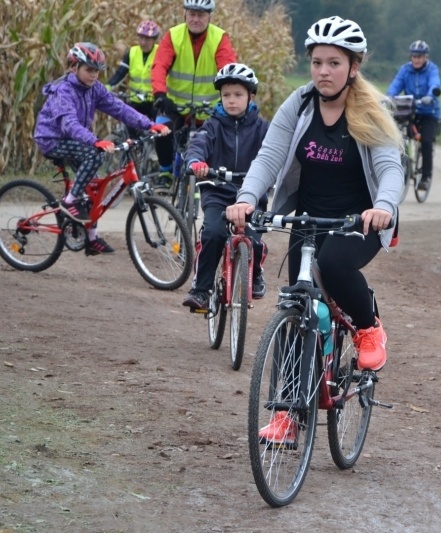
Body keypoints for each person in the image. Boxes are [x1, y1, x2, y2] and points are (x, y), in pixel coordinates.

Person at [226, 16, 403, 376]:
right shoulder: (301, 103)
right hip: (307, 218)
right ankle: (286, 414)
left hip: (358, 220)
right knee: (298, 305)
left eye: (334, 63)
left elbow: (389, 168)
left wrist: (383, 207)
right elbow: (270, 155)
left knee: (334, 264)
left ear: (353, 67)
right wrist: (247, 198)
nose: (323, 71)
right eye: (317, 62)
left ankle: (369, 329)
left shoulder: (370, 109)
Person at [34, 42, 170, 254]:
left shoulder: (94, 89)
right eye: (89, 70)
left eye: (97, 71)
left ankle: (91, 238)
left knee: (94, 187)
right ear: (73, 67)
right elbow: (68, 124)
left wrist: (150, 124)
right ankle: (69, 202)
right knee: (94, 156)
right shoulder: (64, 90)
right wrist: (94, 141)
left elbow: (120, 109)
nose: (94, 75)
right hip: (52, 139)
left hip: (76, 140)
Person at [181, 63, 270, 311]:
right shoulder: (212, 126)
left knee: (255, 239)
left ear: (251, 96)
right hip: (218, 193)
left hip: (252, 195)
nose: (232, 100)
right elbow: (197, 146)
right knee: (212, 234)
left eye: (238, 95)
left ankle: (256, 273)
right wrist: (196, 162)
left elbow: (277, 153)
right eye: (226, 95)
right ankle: (201, 290)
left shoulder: (263, 129)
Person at [151, 0, 238, 192]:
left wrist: (230, 99)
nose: (195, 19)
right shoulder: (173, 36)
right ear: (185, 14)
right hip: (176, 106)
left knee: (221, 141)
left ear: (209, 16)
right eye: (192, 14)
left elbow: (228, 71)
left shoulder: (219, 38)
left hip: (209, 109)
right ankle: (165, 173)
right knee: (161, 130)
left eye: (201, 15)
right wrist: (160, 93)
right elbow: (160, 66)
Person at [387, 40, 441, 191]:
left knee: (426, 142)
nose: (416, 59)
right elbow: (395, 85)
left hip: (429, 113)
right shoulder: (405, 70)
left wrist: (431, 95)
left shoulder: (432, 70)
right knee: (395, 137)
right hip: (409, 111)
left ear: (426, 57)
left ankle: (425, 176)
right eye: (414, 56)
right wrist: (390, 97)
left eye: (420, 56)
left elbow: (435, 84)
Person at [106, 20, 162, 137]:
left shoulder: (160, 52)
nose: (143, 42)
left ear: (154, 39)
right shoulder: (132, 52)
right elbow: (120, 73)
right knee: (129, 123)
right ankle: (134, 149)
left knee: (159, 129)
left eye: (147, 39)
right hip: (135, 99)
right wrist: (108, 86)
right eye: (140, 38)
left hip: (154, 101)